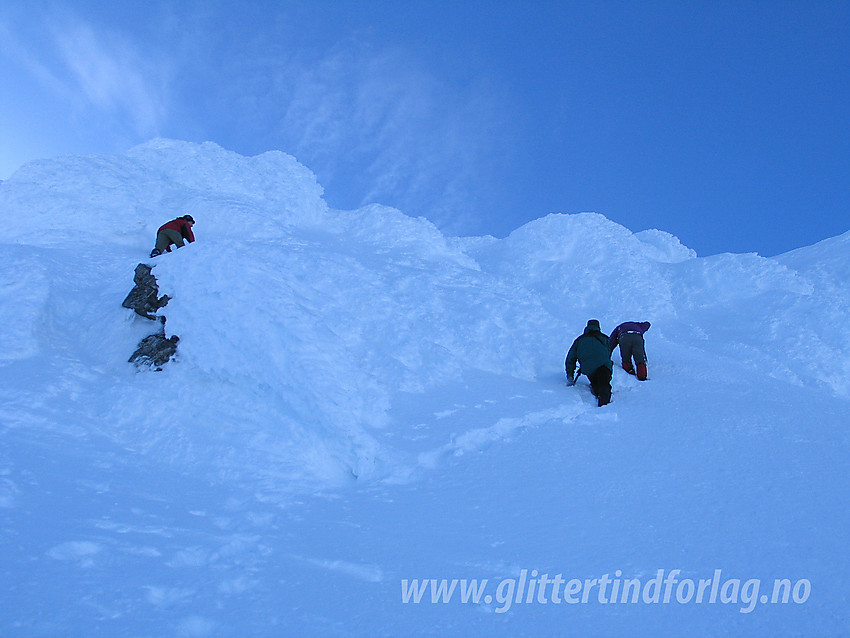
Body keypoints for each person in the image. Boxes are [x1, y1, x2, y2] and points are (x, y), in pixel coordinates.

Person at [565, 319, 614, 407]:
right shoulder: (605, 338)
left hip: (588, 369)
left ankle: (596, 391)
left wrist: (570, 375)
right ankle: (605, 404)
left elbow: (570, 358)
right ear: (598, 327)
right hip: (604, 366)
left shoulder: (579, 340)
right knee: (604, 382)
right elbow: (608, 353)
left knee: (595, 381)